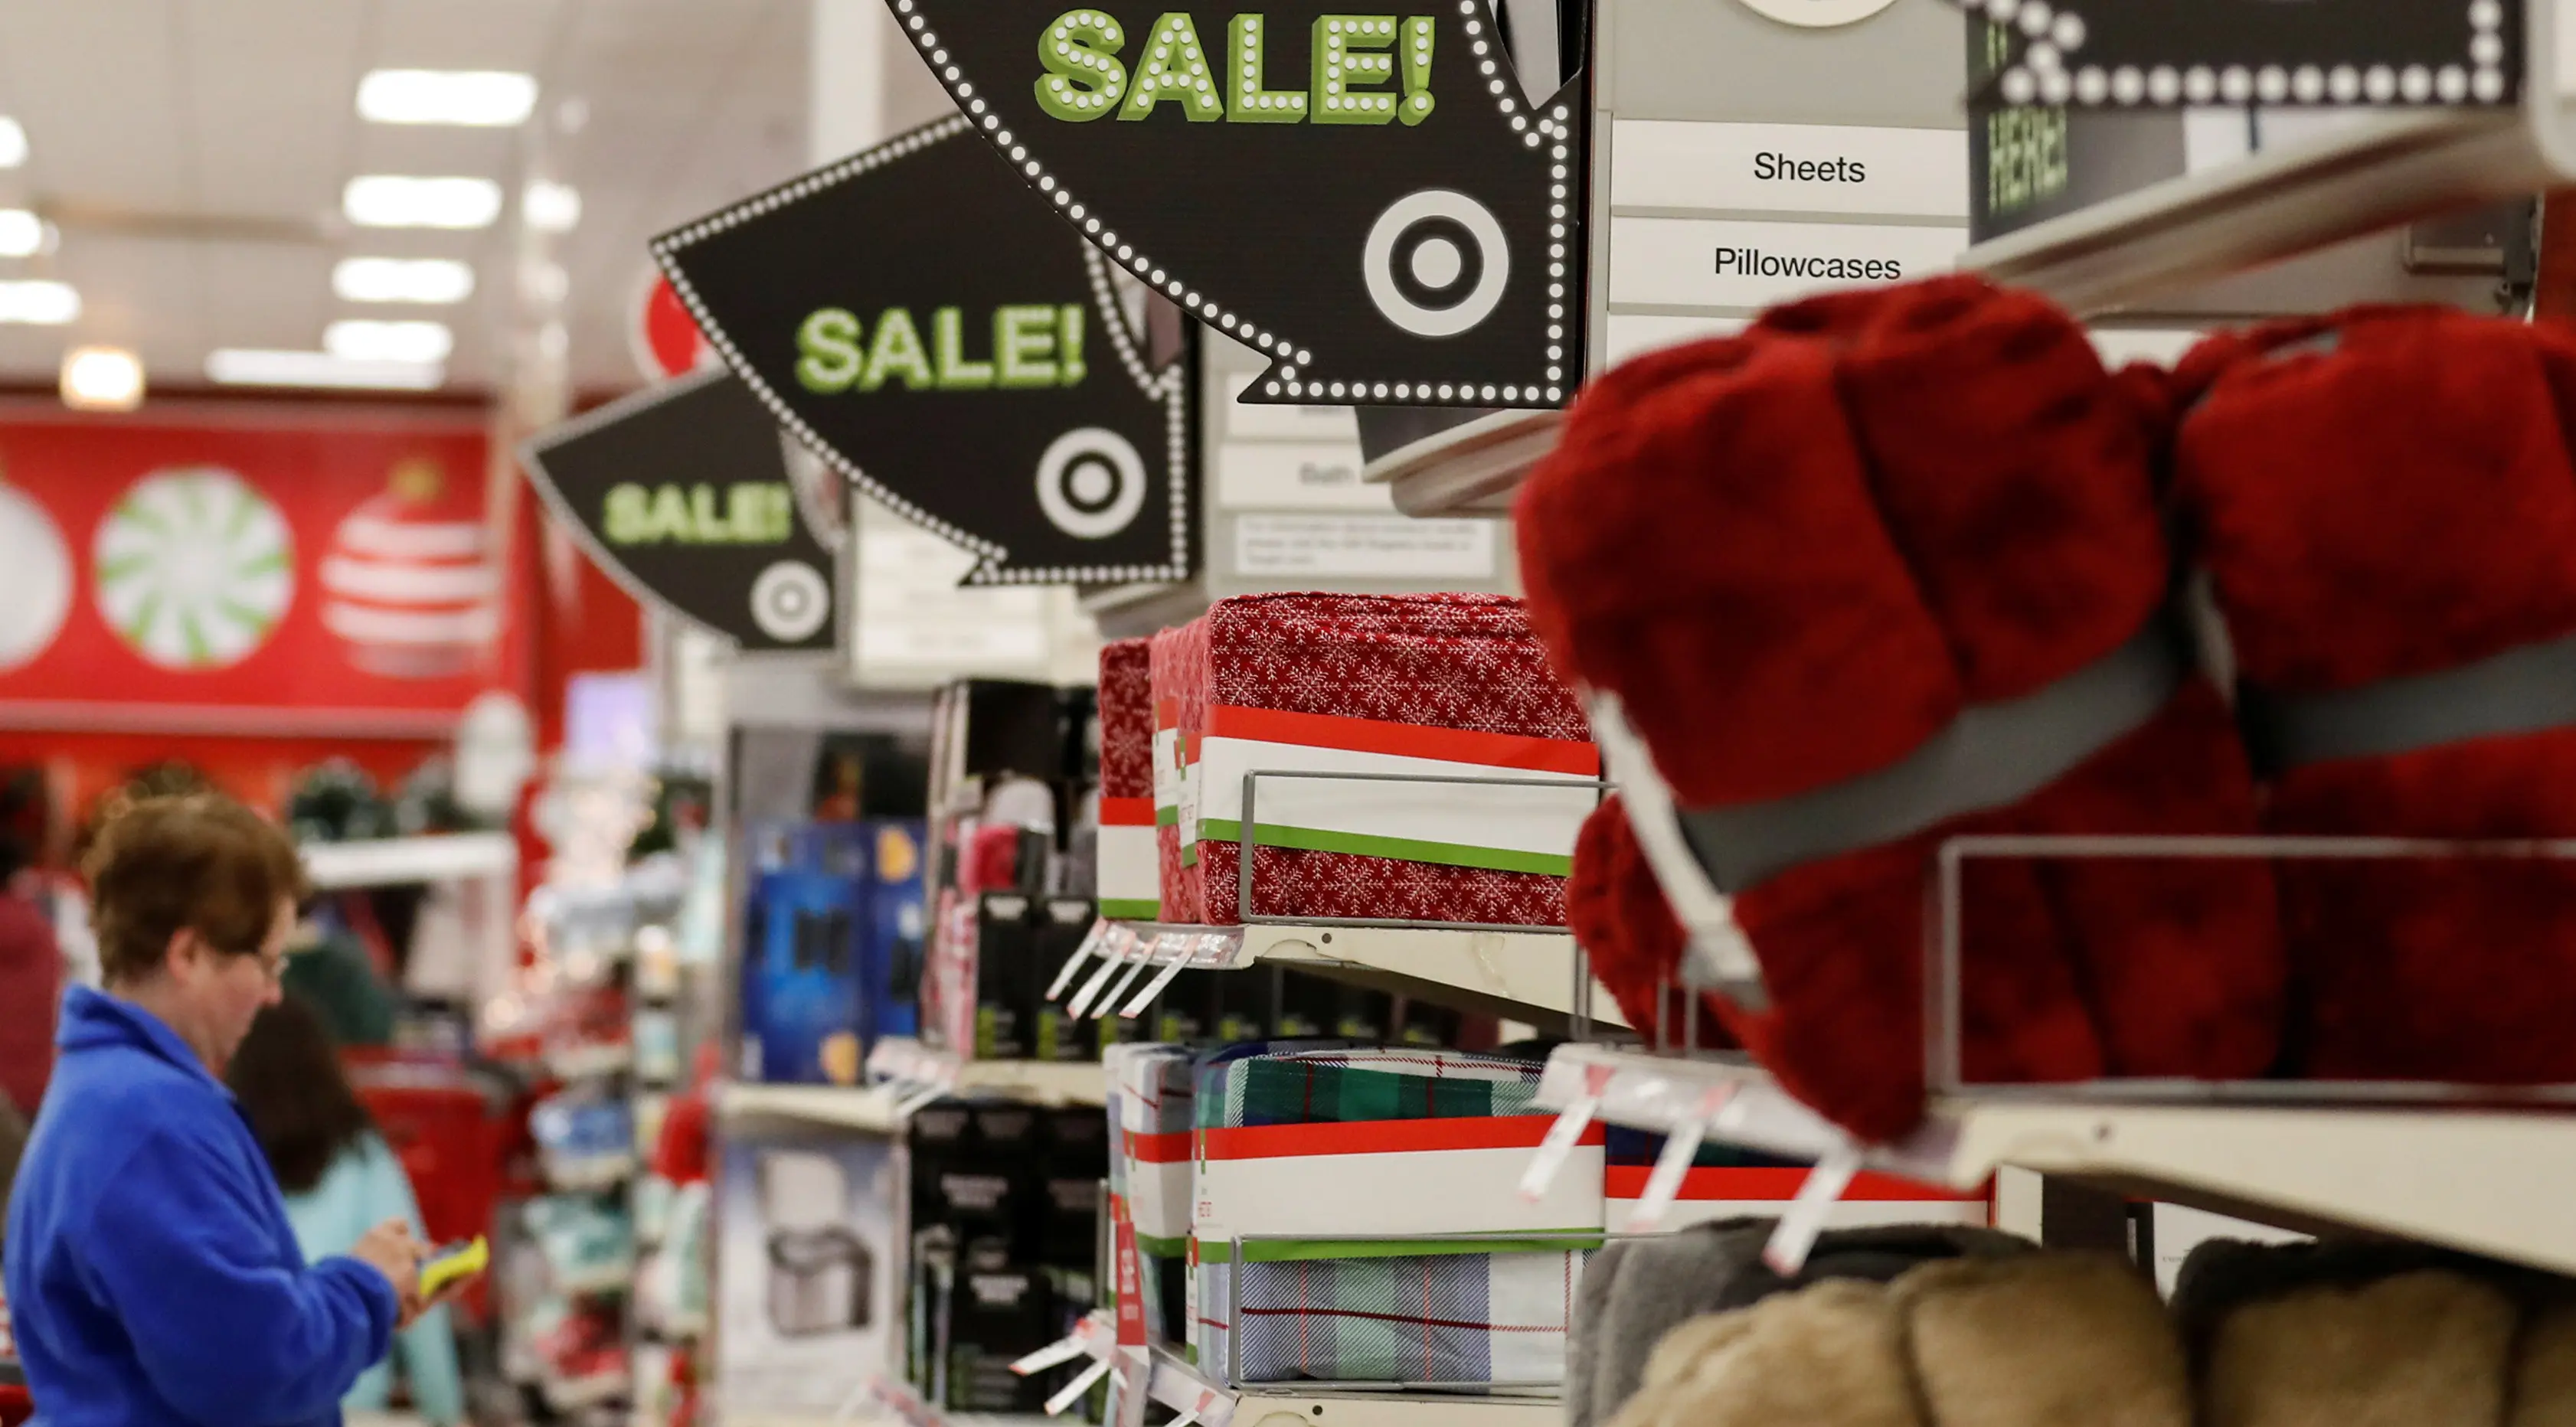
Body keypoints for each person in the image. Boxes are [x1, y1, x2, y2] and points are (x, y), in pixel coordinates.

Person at [5, 793, 434, 1427]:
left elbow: (210, 1326)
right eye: (265, 962)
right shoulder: (149, 1121)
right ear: (189, 956)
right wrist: (364, 1287)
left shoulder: (107, 1090)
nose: (273, 993)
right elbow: (252, 1374)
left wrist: (344, 1291)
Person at [229, 996, 466, 1426]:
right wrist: (447, 1413)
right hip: (351, 1403)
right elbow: (416, 1277)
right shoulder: (362, 1157)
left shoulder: (219, 1163)